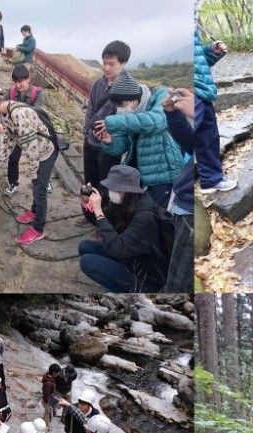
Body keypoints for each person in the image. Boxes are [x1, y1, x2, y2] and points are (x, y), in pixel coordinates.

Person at [0, 84, 58, 245]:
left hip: (46, 152)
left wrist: (33, 172)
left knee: (39, 188)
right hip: (37, 152)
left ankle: (38, 229)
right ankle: (35, 211)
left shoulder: (19, 114)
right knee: (36, 184)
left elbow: (32, 149)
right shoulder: (6, 115)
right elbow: (8, 144)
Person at [94, 71, 184, 208]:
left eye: (122, 104)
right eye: (117, 105)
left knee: (157, 216)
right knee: (136, 213)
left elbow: (157, 122)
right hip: (137, 174)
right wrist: (110, 141)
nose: (120, 109)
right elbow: (122, 144)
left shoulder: (159, 96)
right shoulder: (124, 115)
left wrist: (114, 122)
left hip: (162, 174)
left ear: (135, 98)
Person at [78, 165, 170, 292]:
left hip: (146, 277)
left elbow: (117, 248)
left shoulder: (145, 217)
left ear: (126, 190)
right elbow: (100, 221)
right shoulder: (127, 203)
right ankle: (117, 278)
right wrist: (87, 204)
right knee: (85, 246)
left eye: (113, 189)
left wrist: (98, 210)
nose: (111, 192)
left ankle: (124, 290)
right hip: (131, 258)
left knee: (87, 262)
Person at [81, 40, 128, 222]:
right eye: (104, 63)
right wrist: (86, 134)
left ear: (122, 63)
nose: (106, 68)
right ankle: (90, 216)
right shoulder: (98, 85)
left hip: (110, 144)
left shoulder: (127, 87)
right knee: (90, 180)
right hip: (91, 140)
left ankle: (105, 221)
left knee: (107, 183)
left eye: (112, 64)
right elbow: (90, 110)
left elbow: (126, 118)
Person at [194, 27, 237, 194]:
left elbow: (197, 62)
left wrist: (211, 52)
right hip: (191, 90)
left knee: (208, 136)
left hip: (202, 89)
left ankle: (211, 179)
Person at [162, 86, 195, 293]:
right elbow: (193, 144)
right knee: (175, 276)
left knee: (177, 285)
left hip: (190, 211)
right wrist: (173, 114)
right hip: (182, 205)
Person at [0, 64, 48, 197]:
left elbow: (37, 113)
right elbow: (0, 108)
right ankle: (13, 183)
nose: (18, 85)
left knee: (40, 157)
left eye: (21, 81)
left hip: (33, 132)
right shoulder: (10, 93)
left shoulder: (37, 93)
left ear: (28, 79)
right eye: (16, 82)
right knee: (13, 158)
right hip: (16, 132)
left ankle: (45, 180)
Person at [40, 364, 61, 428]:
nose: (58, 374)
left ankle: (42, 420)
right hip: (46, 401)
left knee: (46, 412)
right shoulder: (48, 383)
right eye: (58, 373)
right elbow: (46, 395)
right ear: (54, 373)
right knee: (48, 413)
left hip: (47, 400)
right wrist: (50, 403)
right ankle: (46, 426)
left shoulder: (49, 377)